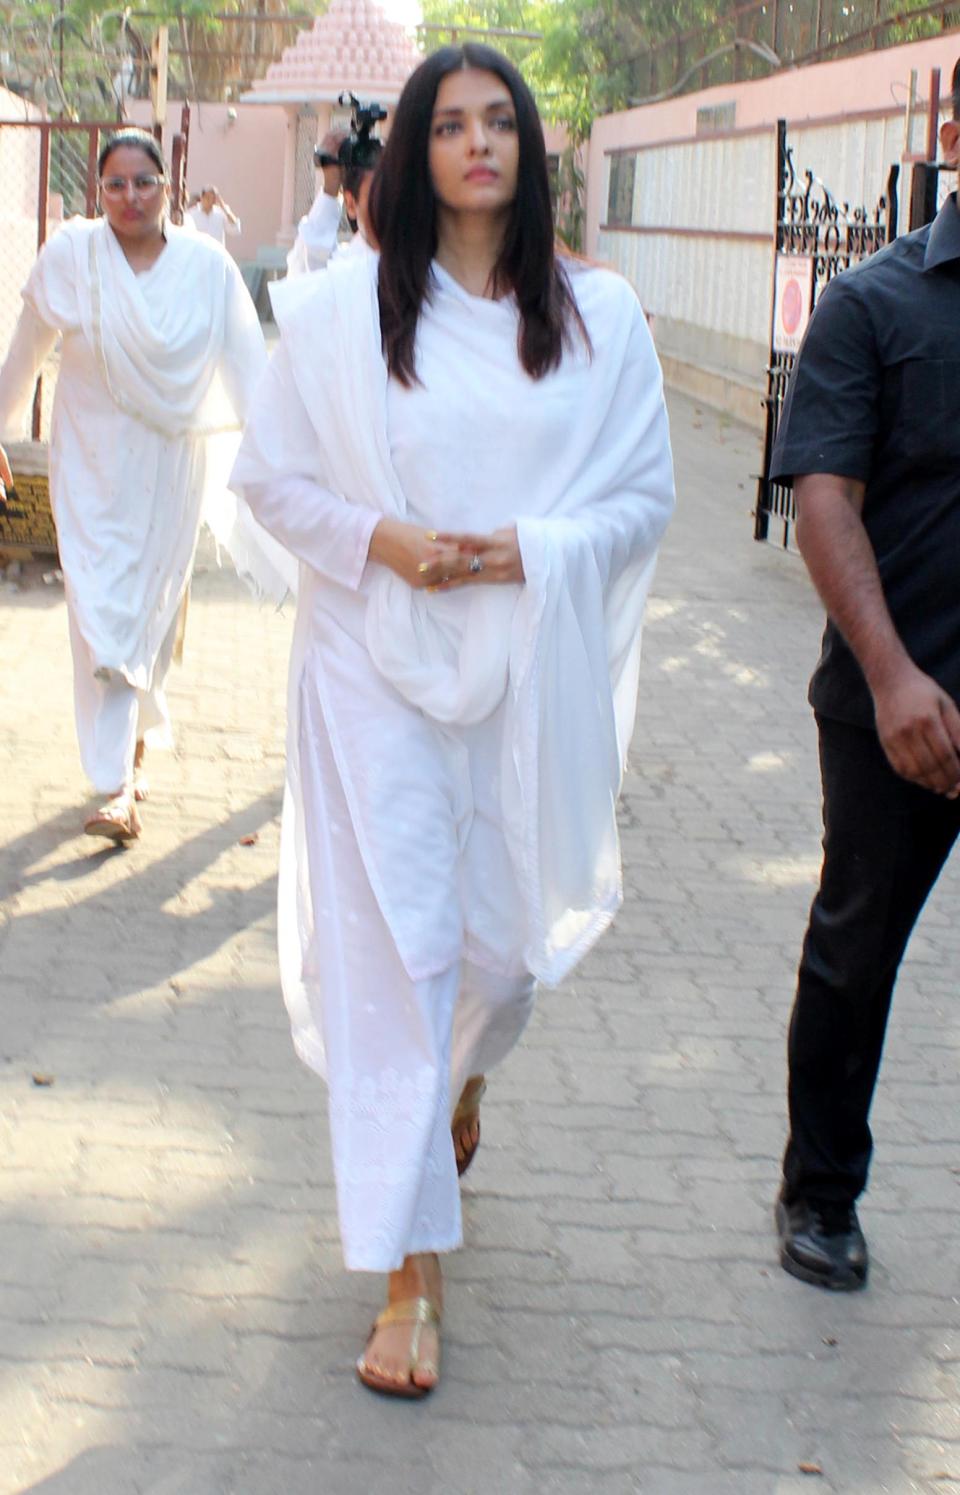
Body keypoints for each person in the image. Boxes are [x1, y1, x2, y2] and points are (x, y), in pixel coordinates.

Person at [231, 44, 674, 1396]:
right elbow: (268, 478)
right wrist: (386, 542)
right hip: (371, 666)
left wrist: (528, 549)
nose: (478, 144)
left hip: (523, 671)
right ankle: (407, 1271)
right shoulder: (334, 314)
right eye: (450, 124)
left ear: (532, 152)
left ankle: (458, 1090)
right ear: (412, 152)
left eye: (502, 122)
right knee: (405, 957)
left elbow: (644, 498)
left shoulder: (599, 321)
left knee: (496, 964)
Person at [770, 65, 960, 1291]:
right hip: (900, 706)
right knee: (858, 949)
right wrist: (893, 677)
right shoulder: (875, 304)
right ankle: (820, 1192)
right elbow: (823, 499)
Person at [0, 128, 280, 843]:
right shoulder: (70, 255)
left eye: (144, 182)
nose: (130, 196)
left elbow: (252, 377)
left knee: (146, 617)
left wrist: (287, 468)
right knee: (100, 614)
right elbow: (26, 354)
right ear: (100, 192)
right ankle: (115, 783)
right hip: (90, 464)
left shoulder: (208, 268)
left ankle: (131, 759)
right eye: (115, 184)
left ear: (169, 188)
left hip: (167, 470)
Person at [285, 128, 381, 278]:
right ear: (350, 204)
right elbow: (307, 271)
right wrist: (331, 188)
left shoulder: (422, 272)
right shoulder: (341, 271)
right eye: (376, 197)